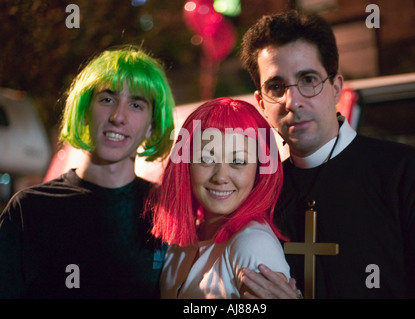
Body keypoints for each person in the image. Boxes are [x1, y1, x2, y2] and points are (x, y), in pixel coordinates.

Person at [239, 10, 415, 299]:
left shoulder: (406, 173)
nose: (292, 101)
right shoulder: (262, 193)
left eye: (308, 79)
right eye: (276, 87)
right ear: (261, 103)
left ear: (336, 88)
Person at [0, 46, 175, 298]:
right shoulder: (29, 210)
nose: (118, 116)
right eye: (107, 99)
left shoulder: (166, 210)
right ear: (84, 111)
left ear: (152, 126)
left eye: (136, 104)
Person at [148, 97, 292, 298]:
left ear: (259, 170)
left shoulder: (253, 243)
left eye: (238, 161)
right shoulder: (179, 244)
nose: (221, 177)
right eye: (206, 159)